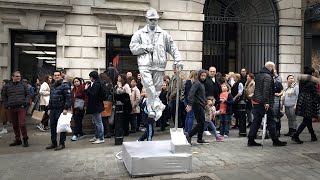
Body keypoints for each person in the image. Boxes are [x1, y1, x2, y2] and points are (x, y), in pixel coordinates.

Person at [130, 8, 183, 121]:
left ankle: (151, 108)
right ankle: (158, 105)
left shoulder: (164, 34)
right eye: (151, 19)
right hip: (145, 65)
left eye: (155, 19)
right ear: (146, 20)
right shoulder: (139, 34)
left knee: (157, 89)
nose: (153, 22)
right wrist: (145, 48)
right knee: (148, 85)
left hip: (159, 65)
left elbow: (173, 48)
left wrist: (178, 59)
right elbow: (133, 47)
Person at [247, 61, 287, 147]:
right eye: (274, 68)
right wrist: (266, 102)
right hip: (264, 102)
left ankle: (250, 140)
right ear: (271, 68)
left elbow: (258, 89)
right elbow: (266, 91)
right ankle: (275, 140)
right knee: (271, 121)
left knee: (256, 121)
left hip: (257, 101)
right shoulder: (268, 77)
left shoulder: (258, 75)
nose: (274, 69)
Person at [2, 71, 30, 147]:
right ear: (12, 77)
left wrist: (26, 103)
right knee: (15, 125)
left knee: (22, 124)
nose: (18, 78)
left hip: (21, 107)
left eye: (19, 76)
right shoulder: (7, 86)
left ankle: (25, 138)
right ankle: (18, 139)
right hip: (12, 107)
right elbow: (3, 96)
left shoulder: (24, 85)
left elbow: (28, 94)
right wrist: (6, 104)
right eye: (17, 76)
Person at [292, 67, 319, 144]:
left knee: (308, 119)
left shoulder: (302, 82)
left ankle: (313, 135)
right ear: (312, 73)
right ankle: (296, 135)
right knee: (307, 120)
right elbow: (315, 94)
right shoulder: (311, 83)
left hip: (302, 102)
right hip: (309, 103)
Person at [46, 70, 71, 151]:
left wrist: (66, 108)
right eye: (55, 75)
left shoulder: (65, 85)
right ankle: (53, 143)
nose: (56, 76)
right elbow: (51, 98)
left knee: (62, 127)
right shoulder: (52, 85)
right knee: (53, 127)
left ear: (60, 76)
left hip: (61, 109)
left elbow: (68, 97)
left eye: (58, 75)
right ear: (53, 76)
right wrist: (49, 108)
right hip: (53, 109)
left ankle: (61, 143)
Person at [185, 69, 208, 145]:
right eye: (202, 76)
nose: (203, 77)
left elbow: (202, 95)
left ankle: (200, 138)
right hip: (196, 105)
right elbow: (191, 94)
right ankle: (190, 134)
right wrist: (190, 104)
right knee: (201, 123)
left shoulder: (202, 84)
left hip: (201, 104)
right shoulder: (197, 83)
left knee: (201, 122)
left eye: (204, 76)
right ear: (199, 75)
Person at [85, 71, 105, 144]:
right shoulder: (97, 83)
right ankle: (97, 136)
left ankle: (100, 137)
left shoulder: (96, 84)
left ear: (92, 77)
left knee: (98, 122)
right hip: (96, 105)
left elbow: (93, 94)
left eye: (90, 77)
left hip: (96, 106)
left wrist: (86, 89)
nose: (90, 78)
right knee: (96, 122)